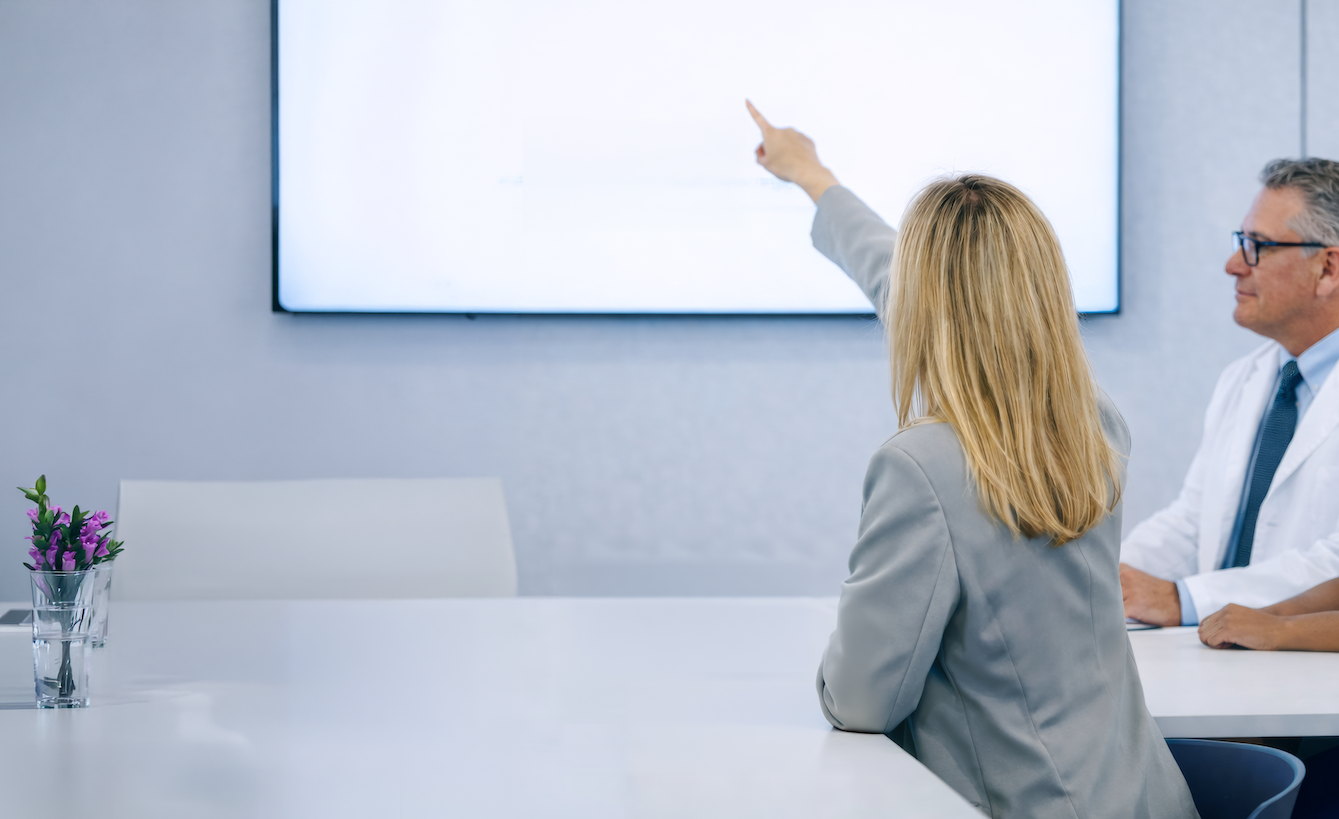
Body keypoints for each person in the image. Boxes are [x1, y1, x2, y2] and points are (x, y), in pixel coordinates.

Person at [745, 102, 1196, 819]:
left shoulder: (921, 469)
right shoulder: (1093, 421)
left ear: (926, 306)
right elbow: (894, 278)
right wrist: (813, 177)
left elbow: (859, 699)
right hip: (1140, 798)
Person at [1120, 159, 1339, 626]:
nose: (1233, 265)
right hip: (1222, 656)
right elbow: (1194, 522)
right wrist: (1107, 577)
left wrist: (1184, 600)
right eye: (1242, 242)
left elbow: (1334, 566)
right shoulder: (1247, 379)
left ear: (1328, 268)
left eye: (1257, 246)